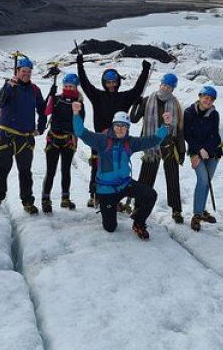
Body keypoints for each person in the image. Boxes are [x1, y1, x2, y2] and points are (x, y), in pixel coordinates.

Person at [72, 102, 172, 239]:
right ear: (113, 125)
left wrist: (165, 126)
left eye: (124, 126)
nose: (120, 129)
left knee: (150, 195)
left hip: (124, 184)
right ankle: (107, 206)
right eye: (118, 125)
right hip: (106, 190)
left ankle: (138, 222)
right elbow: (80, 132)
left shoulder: (129, 142)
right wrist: (76, 114)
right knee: (110, 228)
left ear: (128, 128)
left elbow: (152, 140)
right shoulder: (102, 140)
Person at [76, 51, 151, 207]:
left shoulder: (124, 97)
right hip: (100, 138)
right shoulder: (97, 96)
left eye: (114, 82)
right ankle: (95, 194)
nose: (111, 85)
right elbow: (85, 84)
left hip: (119, 139)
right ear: (104, 83)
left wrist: (145, 71)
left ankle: (114, 197)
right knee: (97, 166)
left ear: (118, 82)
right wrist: (80, 65)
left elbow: (137, 89)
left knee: (117, 168)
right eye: (108, 82)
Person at [0, 56, 47, 214]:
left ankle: (27, 201)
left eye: (28, 72)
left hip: (26, 137)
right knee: (1, 168)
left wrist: (40, 128)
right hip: (6, 134)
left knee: (25, 171)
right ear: (17, 71)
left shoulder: (35, 90)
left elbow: (42, 110)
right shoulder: (9, 85)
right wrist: (9, 86)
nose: (26, 74)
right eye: (23, 71)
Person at [130, 73, 186, 224]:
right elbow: (133, 119)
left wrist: (181, 151)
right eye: (164, 85)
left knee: (173, 178)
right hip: (150, 145)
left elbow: (179, 130)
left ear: (173, 88)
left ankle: (176, 210)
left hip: (169, 145)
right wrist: (135, 103)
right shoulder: (147, 100)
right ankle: (138, 206)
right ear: (160, 84)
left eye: (169, 86)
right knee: (146, 179)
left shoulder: (176, 104)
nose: (166, 88)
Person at [41, 72, 84, 213]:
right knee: (51, 171)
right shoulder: (57, 99)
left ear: (76, 87)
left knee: (66, 170)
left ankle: (65, 198)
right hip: (53, 139)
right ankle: (45, 199)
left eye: (71, 86)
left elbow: (79, 123)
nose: (68, 88)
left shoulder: (79, 103)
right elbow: (46, 112)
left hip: (68, 141)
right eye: (66, 86)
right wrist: (50, 96)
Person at [183, 85, 222, 232]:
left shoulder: (214, 114)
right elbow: (187, 135)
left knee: (206, 182)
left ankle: (201, 210)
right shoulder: (189, 112)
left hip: (213, 152)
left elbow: (215, 135)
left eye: (211, 99)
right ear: (200, 97)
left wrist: (207, 149)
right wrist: (199, 151)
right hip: (196, 151)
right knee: (203, 180)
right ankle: (197, 215)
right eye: (206, 97)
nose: (208, 101)